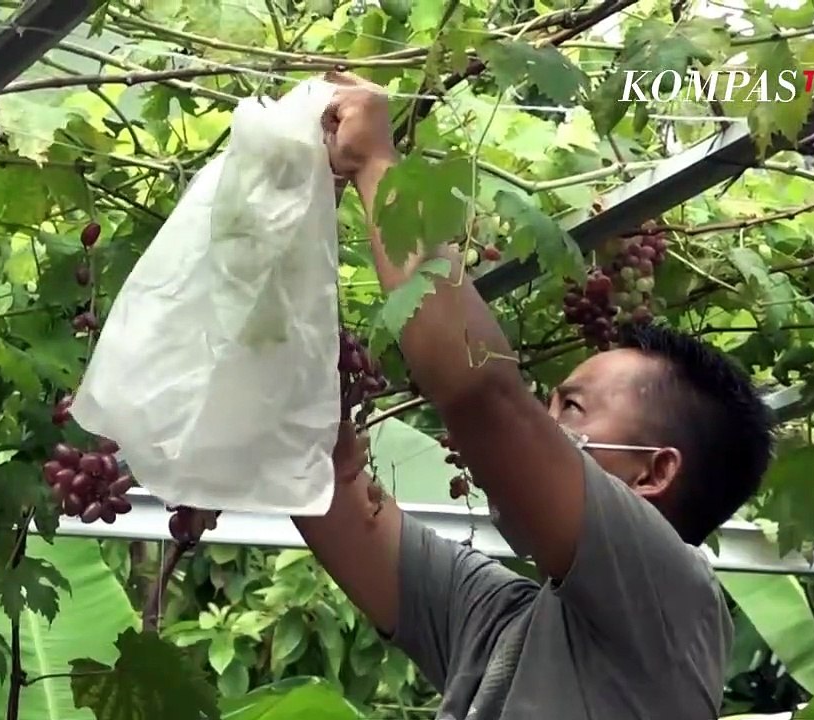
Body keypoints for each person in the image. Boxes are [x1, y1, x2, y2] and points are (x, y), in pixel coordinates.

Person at [293, 72, 775, 720]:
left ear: (653, 471)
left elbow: (487, 400)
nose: (542, 423)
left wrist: (376, 160)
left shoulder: (673, 599)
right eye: (547, 405)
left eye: (570, 408)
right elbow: (330, 489)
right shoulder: (501, 621)